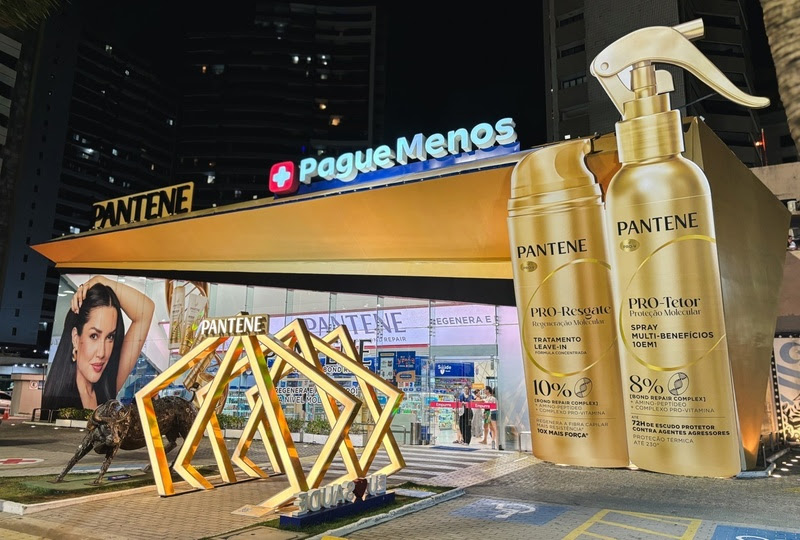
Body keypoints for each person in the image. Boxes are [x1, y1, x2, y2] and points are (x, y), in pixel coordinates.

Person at [42, 276, 154, 413]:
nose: (102, 353)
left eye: (110, 337)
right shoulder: (60, 399)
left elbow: (146, 310)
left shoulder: (107, 386)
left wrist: (100, 281)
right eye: (94, 336)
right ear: (76, 338)